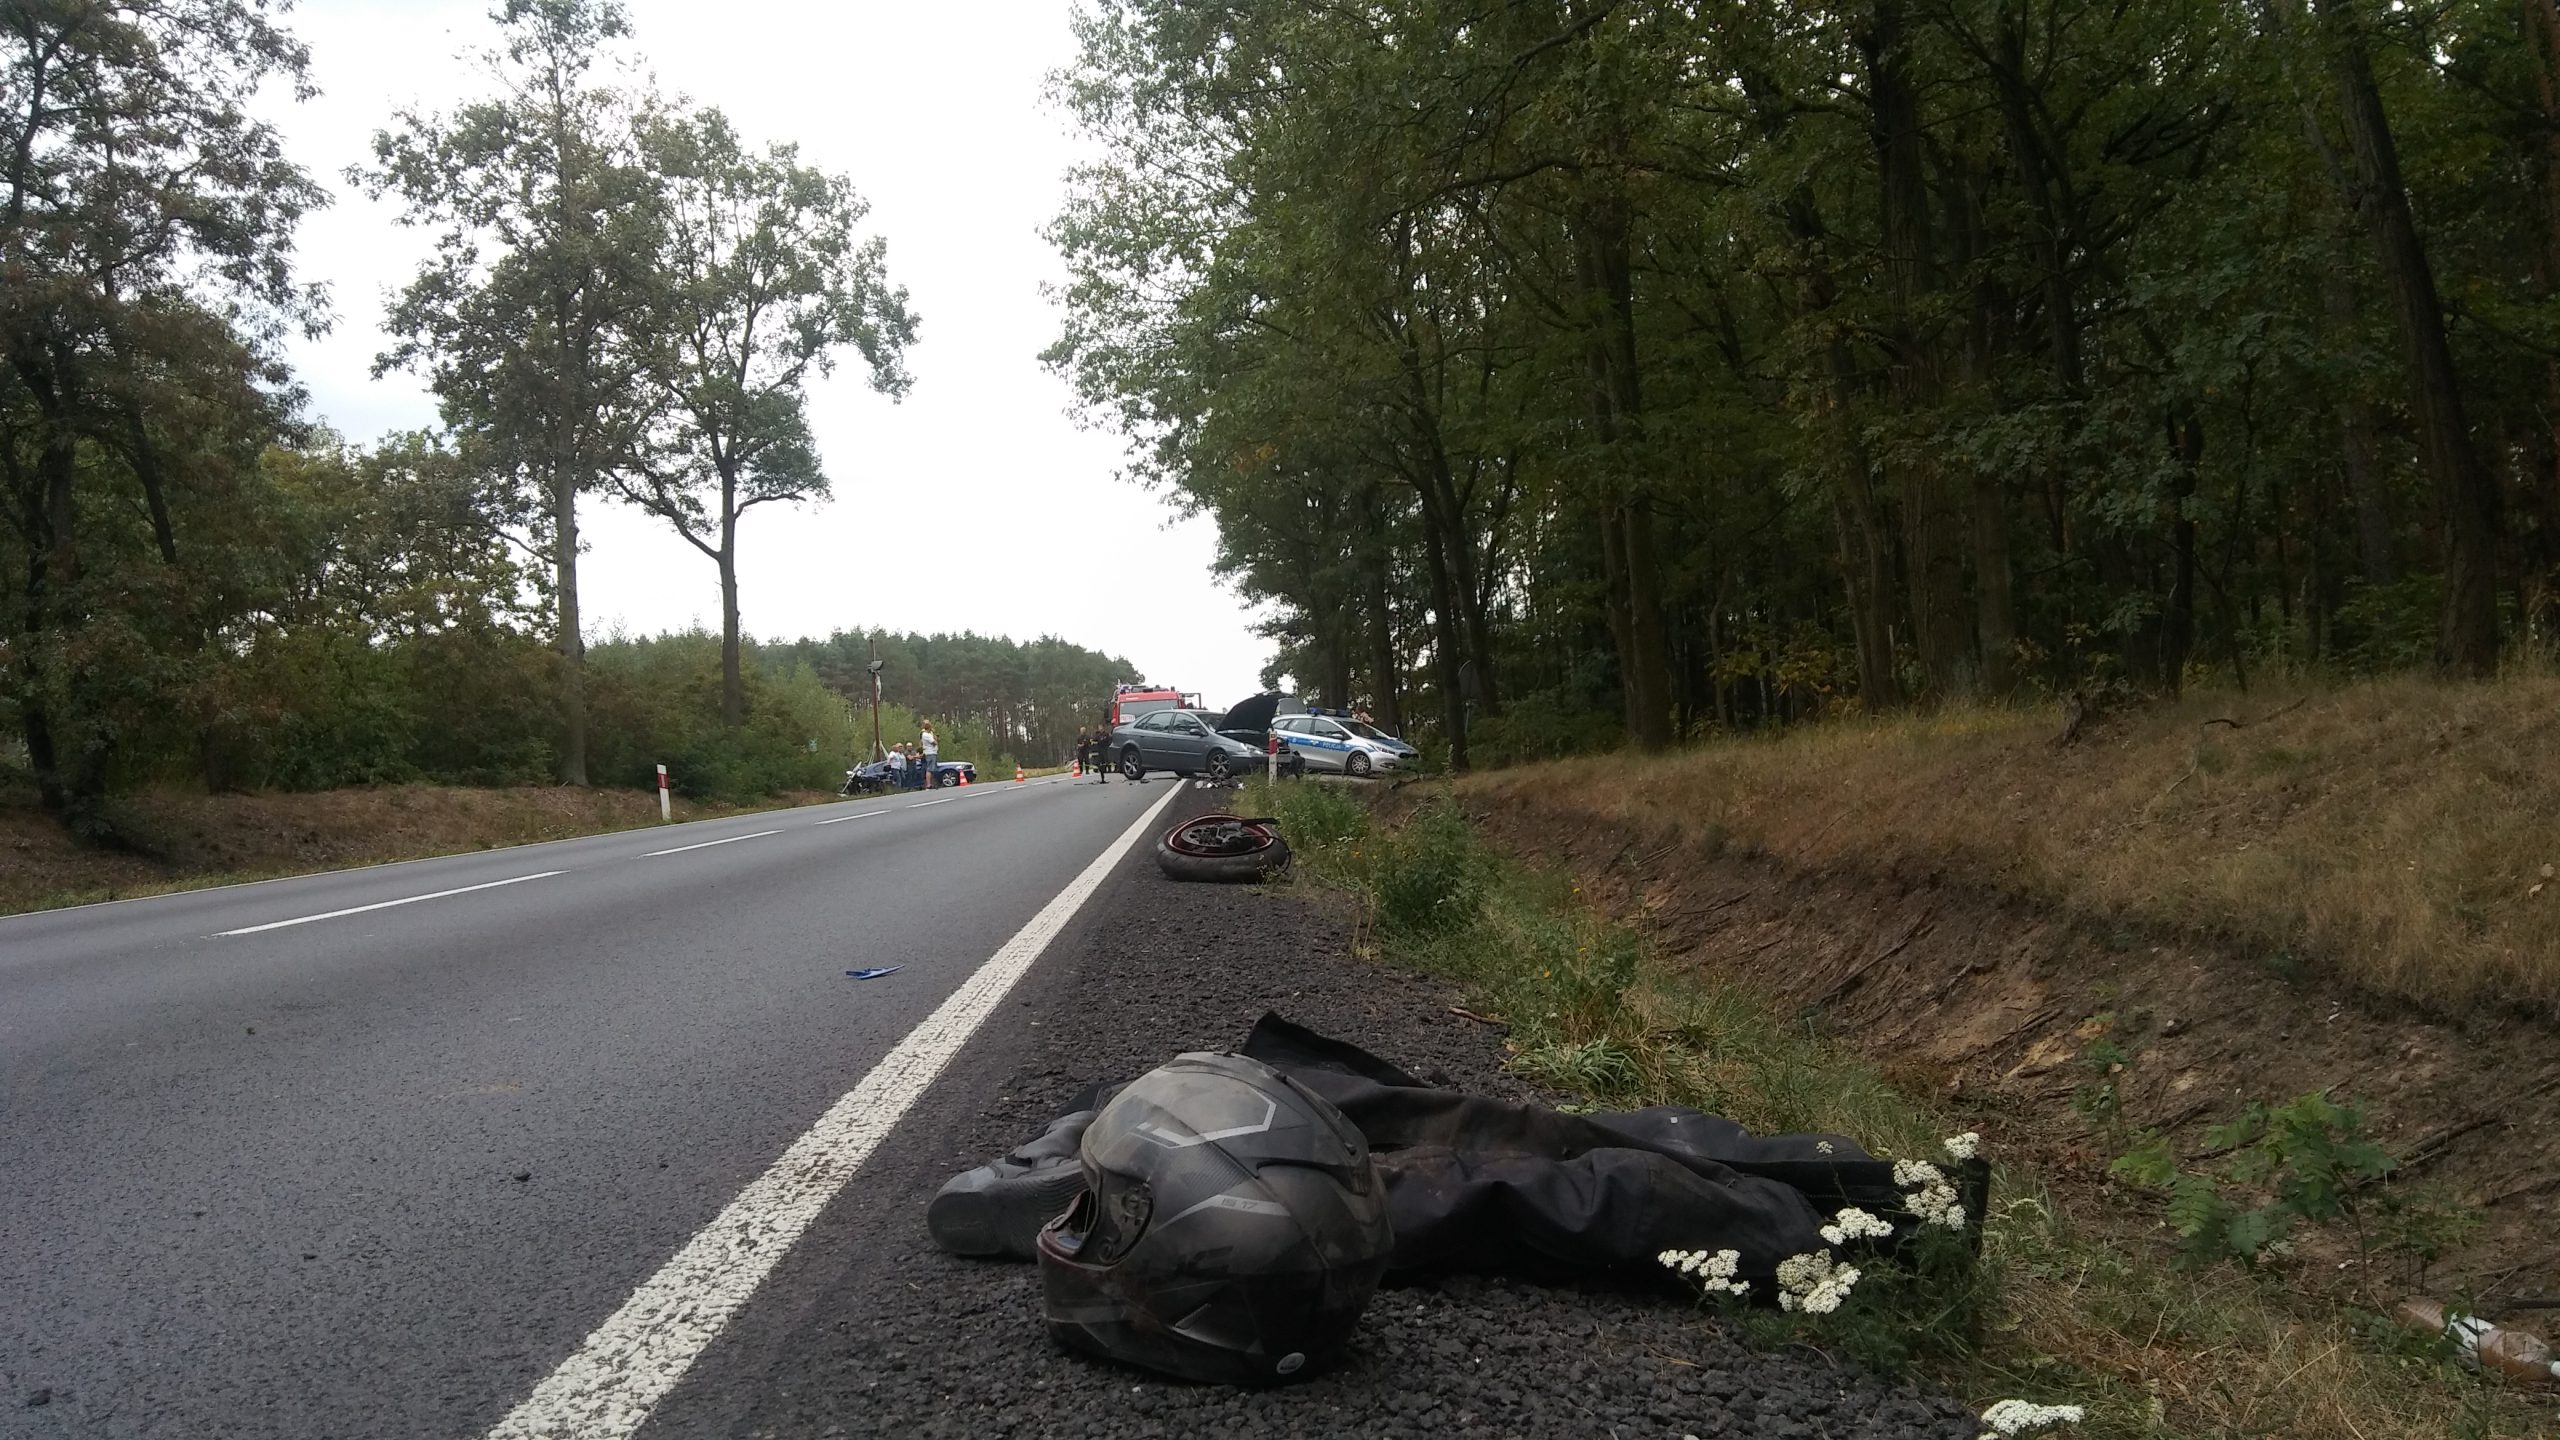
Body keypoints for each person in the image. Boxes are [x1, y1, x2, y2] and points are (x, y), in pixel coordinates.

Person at [920, 720, 939, 789]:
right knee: (930, 769)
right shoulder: (926, 735)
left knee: (932, 769)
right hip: (930, 752)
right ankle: (928, 784)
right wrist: (935, 739)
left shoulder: (930, 734)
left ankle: (932, 783)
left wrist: (933, 733)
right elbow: (934, 742)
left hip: (932, 752)